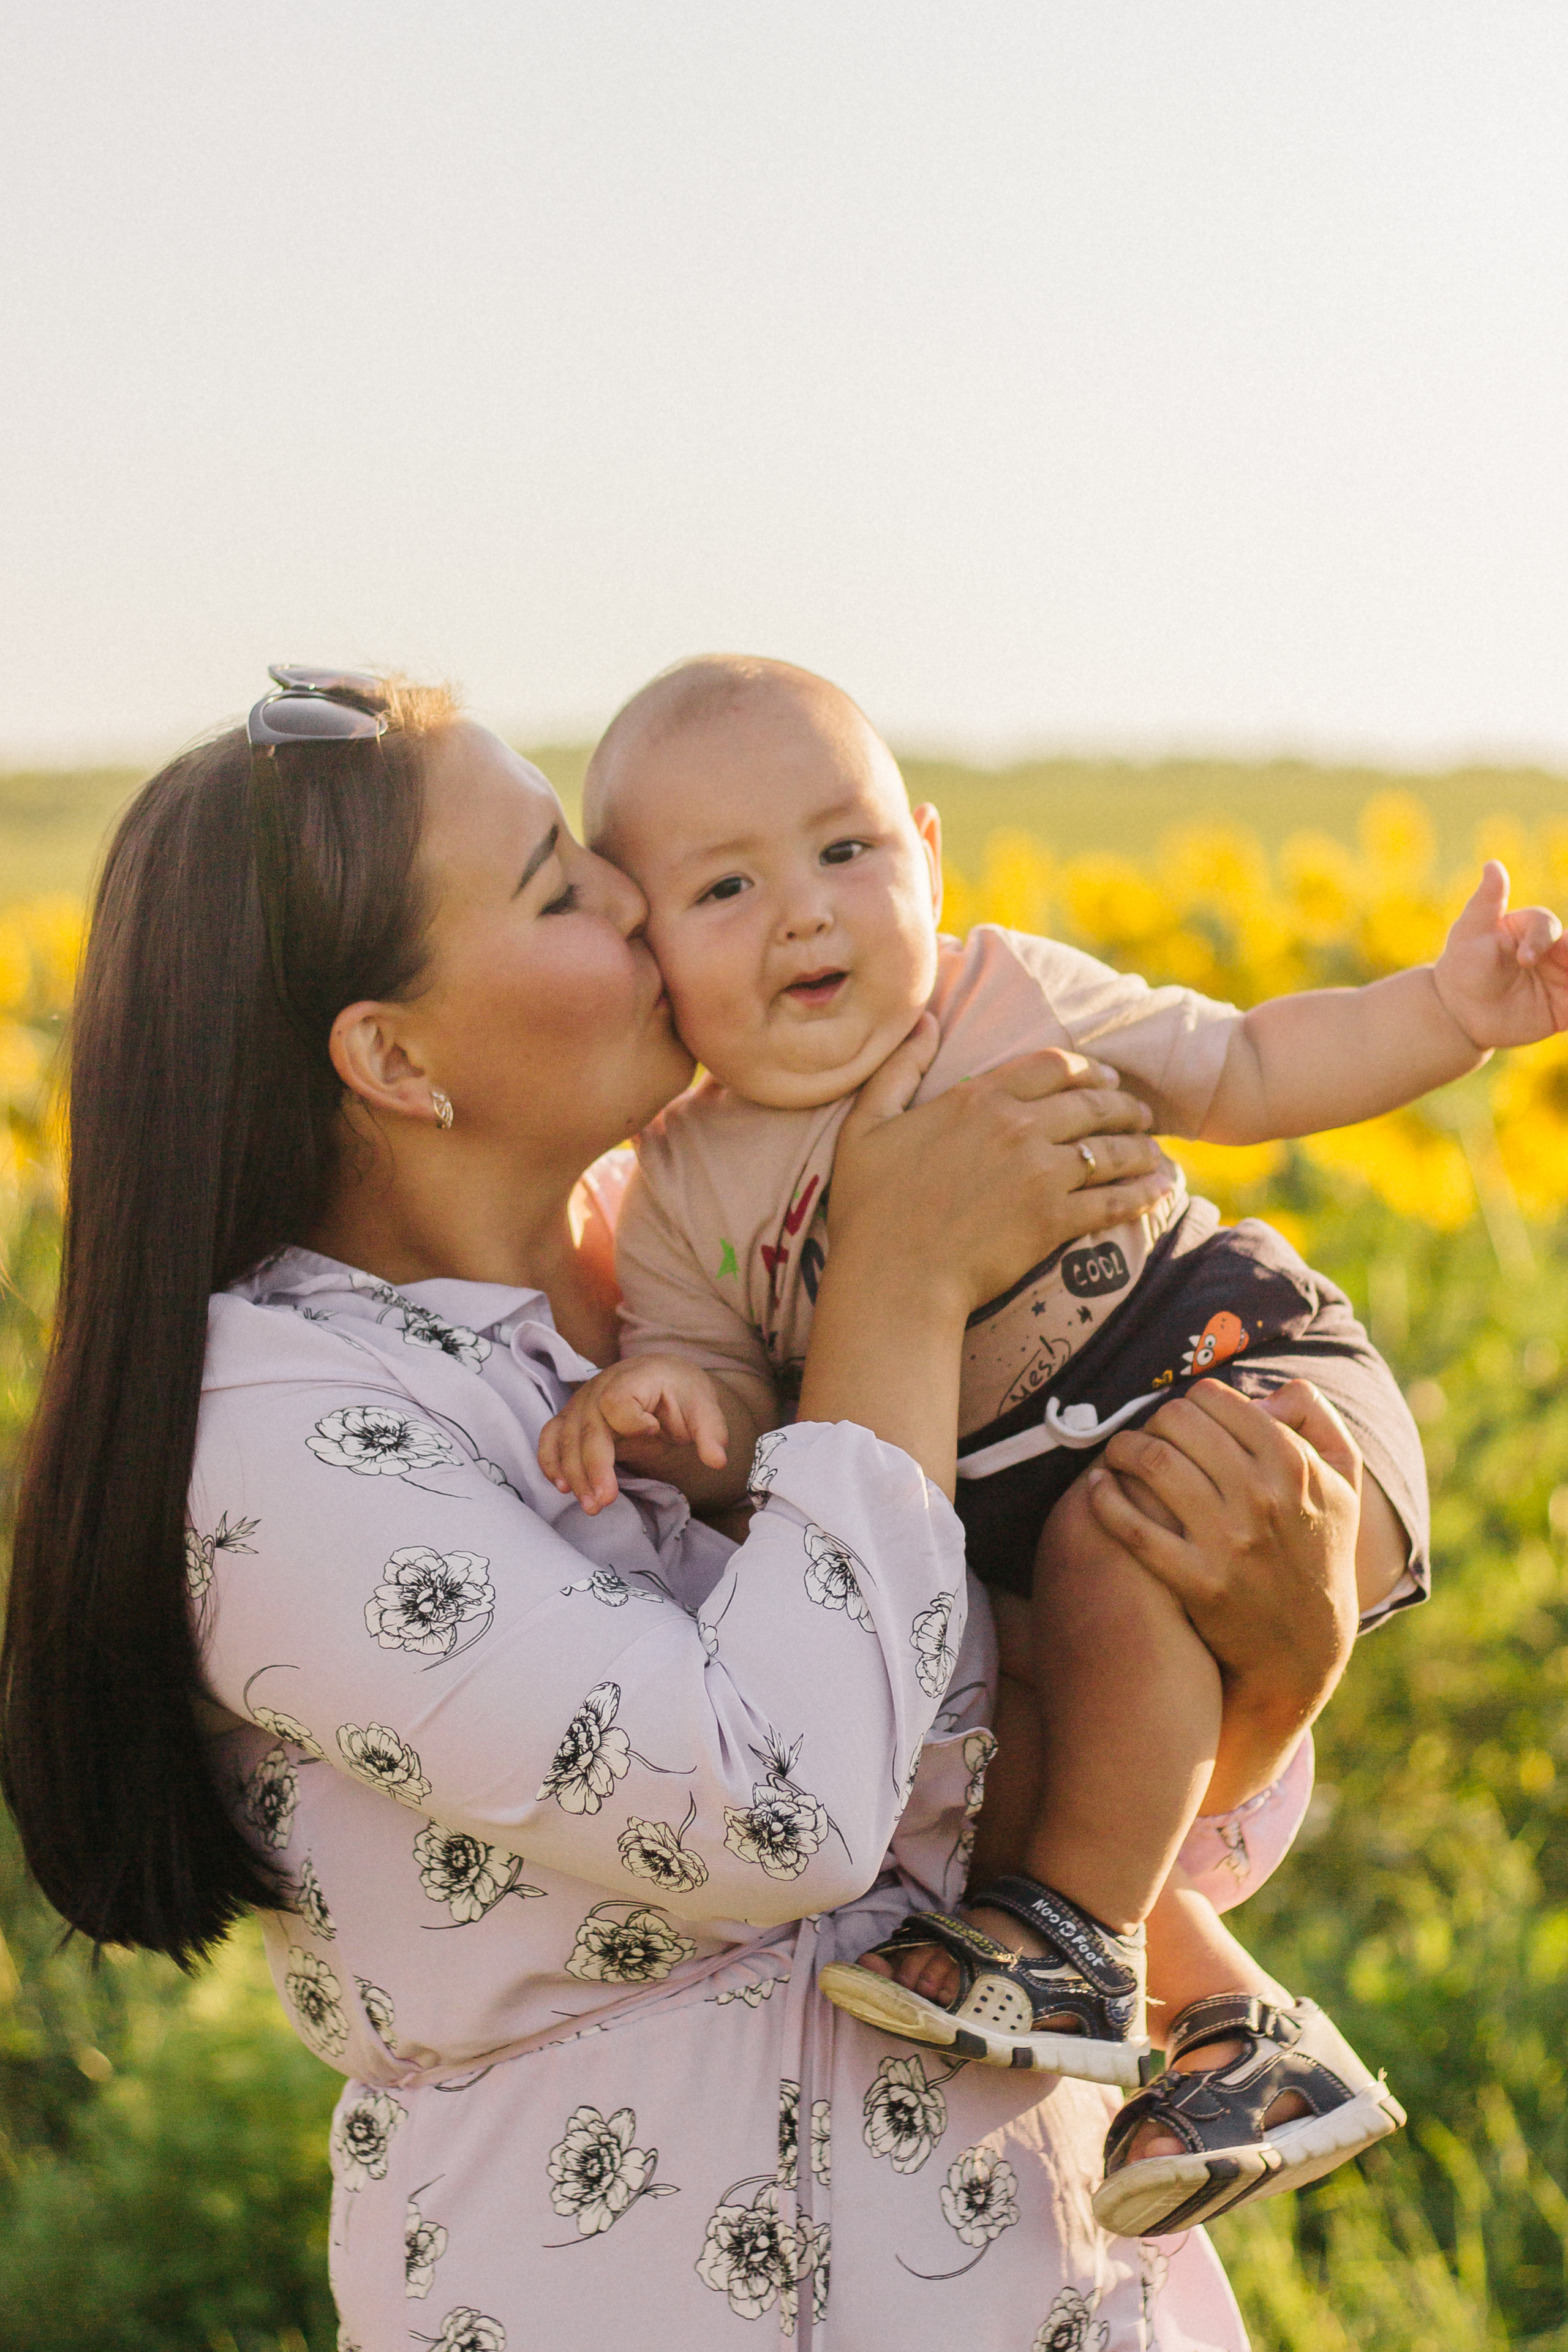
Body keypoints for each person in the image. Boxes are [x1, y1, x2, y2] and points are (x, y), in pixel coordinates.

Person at [2, 665, 1362, 2350]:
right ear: (395, 1056)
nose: (651, 908)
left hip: (1067, 2291)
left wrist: (1275, 1668)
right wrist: (903, 1277)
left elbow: (1071, 1837)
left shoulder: (719, 1268)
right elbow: (780, 1810)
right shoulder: (274, 1435)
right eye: (567, 888)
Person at [545, 653, 1568, 2234]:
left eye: (847, 852)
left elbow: (1247, 1066)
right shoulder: (679, 1187)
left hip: (1248, 1383)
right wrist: (681, 1413)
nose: (807, 912)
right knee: (996, 1703)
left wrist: (1450, 1014)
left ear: (931, 859)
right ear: (643, 946)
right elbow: (737, 1401)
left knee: (1103, 1559)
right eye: (728, 886)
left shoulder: (1004, 997)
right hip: (1040, 1513)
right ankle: (1235, 2044)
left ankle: (1067, 1939)